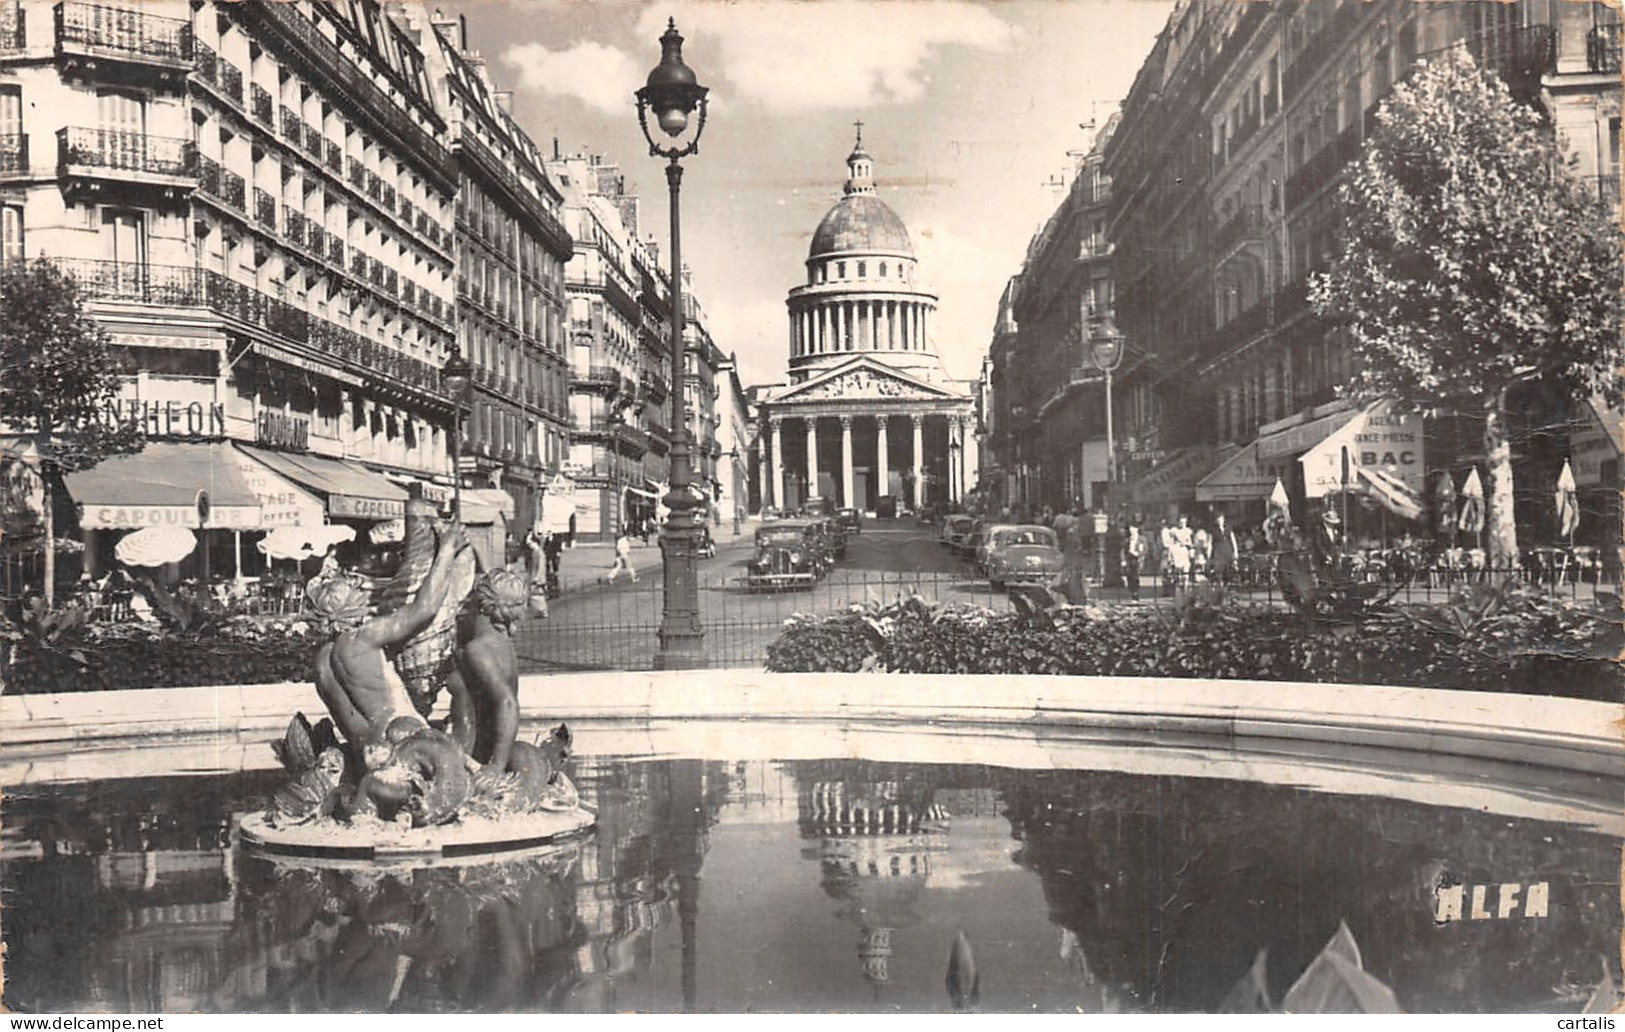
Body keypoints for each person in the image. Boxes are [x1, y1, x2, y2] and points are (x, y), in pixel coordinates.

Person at [306, 521, 472, 750]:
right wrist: (447, 548)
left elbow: (349, 722)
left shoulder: (323, 660)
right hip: (405, 732)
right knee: (468, 693)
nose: (365, 596)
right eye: (360, 593)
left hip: (372, 746)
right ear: (352, 605)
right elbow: (425, 608)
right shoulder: (362, 639)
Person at [445, 568, 529, 772]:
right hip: (474, 755)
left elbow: (508, 703)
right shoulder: (500, 642)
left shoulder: (479, 649)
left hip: (471, 761)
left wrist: (496, 766)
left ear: (482, 606)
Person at [1210, 512, 1240, 584]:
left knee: (1229, 568)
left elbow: (1233, 540)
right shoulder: (1213, 530)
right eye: (1218, 519)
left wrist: (1235, 551)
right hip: (1218, 551)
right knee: (1219, 570)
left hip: (1227, 549)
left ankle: (1228, 584)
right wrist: (1209, 555)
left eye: (1221, 519)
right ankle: (1221, 585)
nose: (1219, 521)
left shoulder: (1228, 528)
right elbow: (1210, 543)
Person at [1165, 514, 1194, 587]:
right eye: (1181, 522)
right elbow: (1170, 543)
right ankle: (1177, 589)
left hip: (1184, 552)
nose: (1183, 524)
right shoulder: (1174, 530)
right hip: (1176, 552)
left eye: (1184, 522)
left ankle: (1186, 589)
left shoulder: (1188, 531)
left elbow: (1190, 543)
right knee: (1177, 572)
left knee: (1185, 571)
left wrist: (1185, 544)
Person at [1123, 520, 1146, 601]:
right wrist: (1123, 560)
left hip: (1137, 560)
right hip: (1129, 560)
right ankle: (1132, 591)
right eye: (1130, 529)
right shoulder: (1127, 540)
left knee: (1136, 576)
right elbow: (1124, 551)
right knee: (1129, 576)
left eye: (1133, 528)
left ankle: (1136, 592)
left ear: (1136, 529)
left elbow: (1145, 550)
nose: (1131, 530)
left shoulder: (1142, 539)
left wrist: (1138, 554)